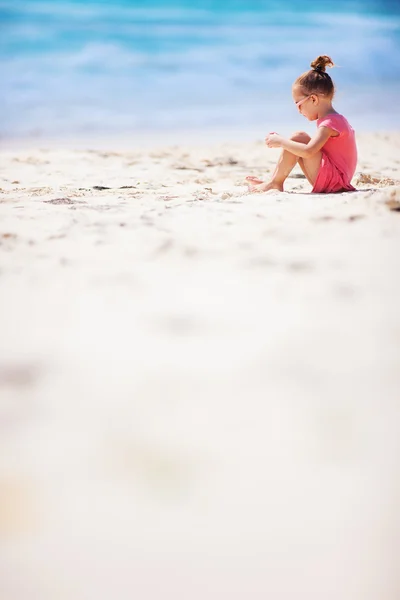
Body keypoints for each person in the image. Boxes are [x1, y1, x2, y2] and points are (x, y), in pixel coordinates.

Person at [246, 55, 357, 194]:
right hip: (335, 179)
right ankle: (274, 180)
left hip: (335, 182)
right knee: (300, 136)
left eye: (298, 104)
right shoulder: (335, 119)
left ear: (313, 99)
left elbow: (308, 151)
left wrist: (281, 141)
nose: (298, 110)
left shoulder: (329, 124)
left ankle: (275, 182)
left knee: (297, 138)